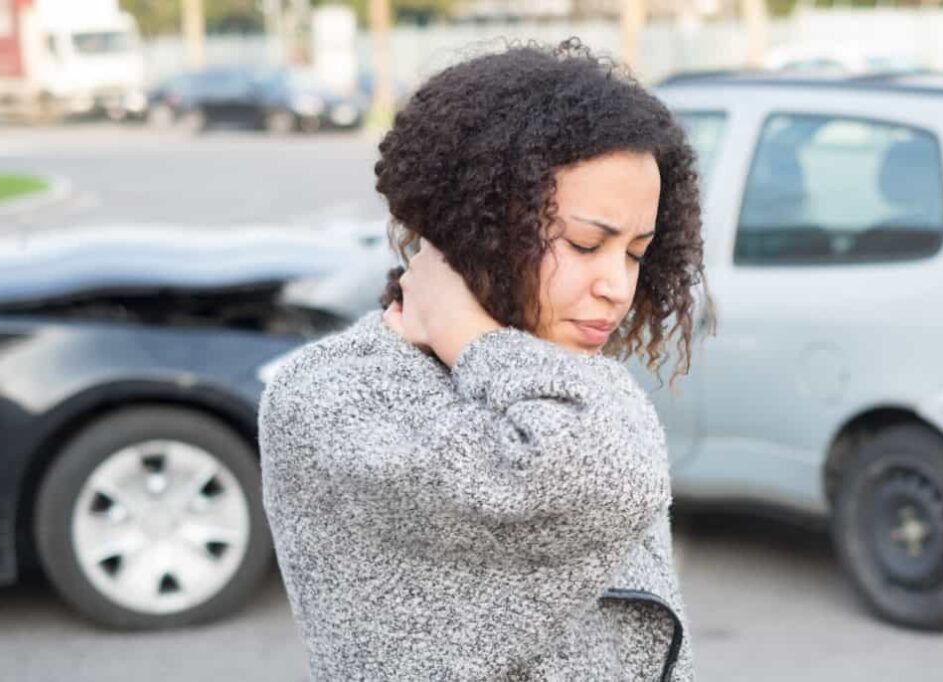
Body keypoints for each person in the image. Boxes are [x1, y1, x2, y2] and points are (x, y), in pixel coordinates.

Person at [258, 37, 713, 681]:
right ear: (478, 225)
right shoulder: (332, 395)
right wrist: (469, 333)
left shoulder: (550, 378)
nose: (617, 283)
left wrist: (471, 336)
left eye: (636, 253)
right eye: (586, 244)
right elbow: (606, 471)